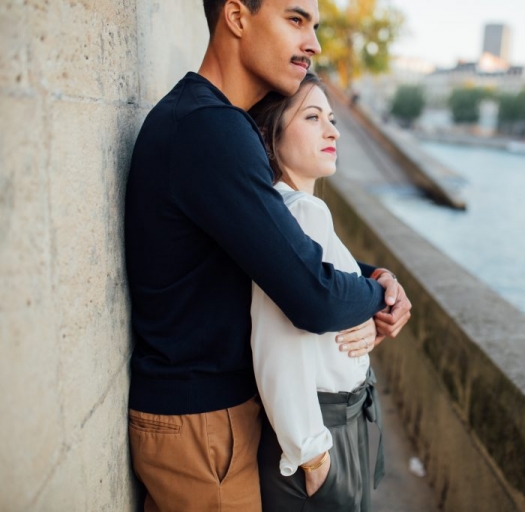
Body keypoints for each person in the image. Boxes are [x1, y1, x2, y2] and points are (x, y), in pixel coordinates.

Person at [123, 1, 411, 510]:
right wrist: (371, 295)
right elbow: (314, 298)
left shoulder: (213, 125)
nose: (315, 44)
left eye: (315, 27)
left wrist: (378, 281)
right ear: (237, 17)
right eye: (295, 20)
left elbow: (282, 253)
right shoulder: (209, 130)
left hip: (213, 420)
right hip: (203, 429)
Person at [249, 74, 384, 512]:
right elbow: (277, 345)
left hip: (335, 426)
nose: (333, 130)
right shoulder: (301, 213)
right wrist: (314, 456)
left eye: (330, 118)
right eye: (312, 117)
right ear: (271, 135)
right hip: (321, 435)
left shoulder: (296, 211)